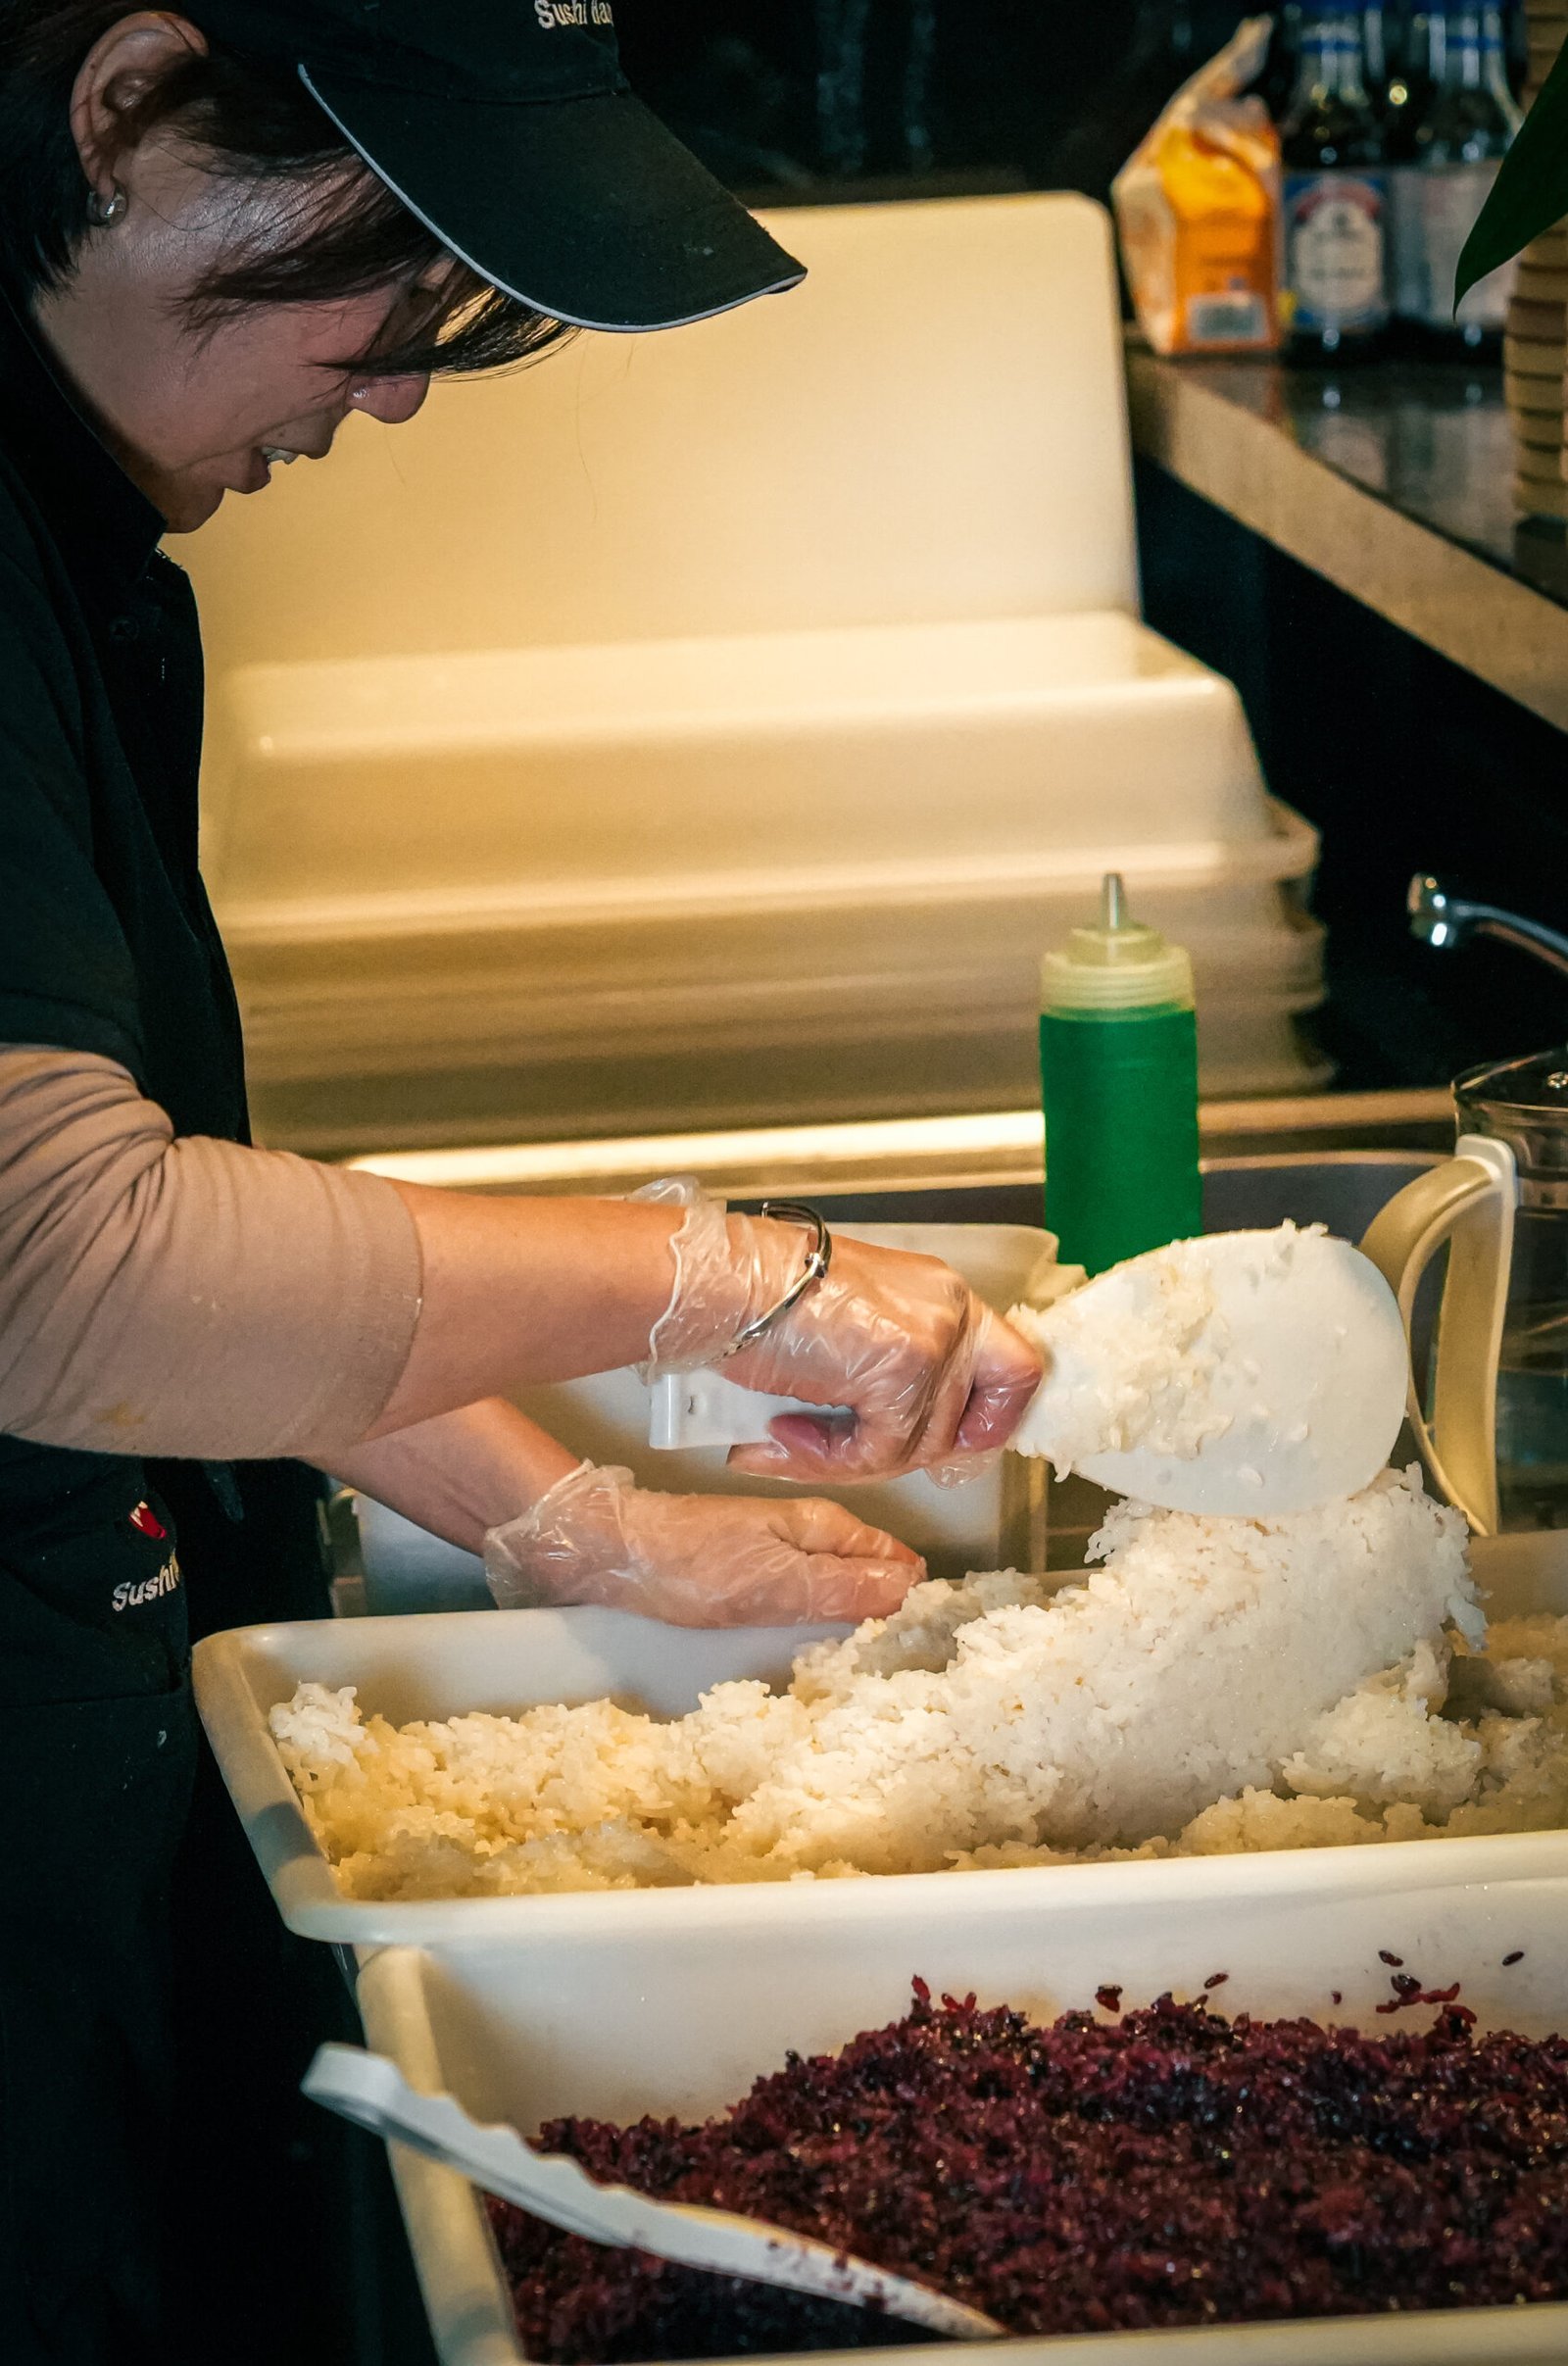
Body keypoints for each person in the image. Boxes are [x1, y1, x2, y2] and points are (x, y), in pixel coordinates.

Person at [0, 6, 1044, 2359]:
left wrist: (564, 1522)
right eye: (389, 263)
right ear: (124, 108)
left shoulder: (74, 528)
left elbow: (177, 1232)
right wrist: (727, 1276)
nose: (395, 384)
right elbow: (59, 1262)